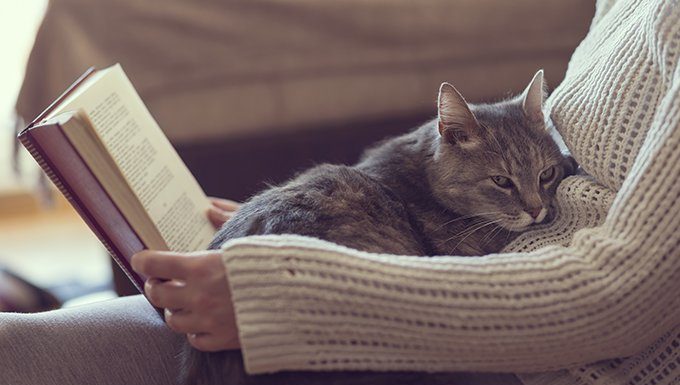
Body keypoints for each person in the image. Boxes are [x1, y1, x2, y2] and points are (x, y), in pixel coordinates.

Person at [1, 0, 678, 384]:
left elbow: (620, 296)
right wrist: (294, 227)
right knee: (16, 347)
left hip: (535, 352)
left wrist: (297, 289)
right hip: (426, 297)